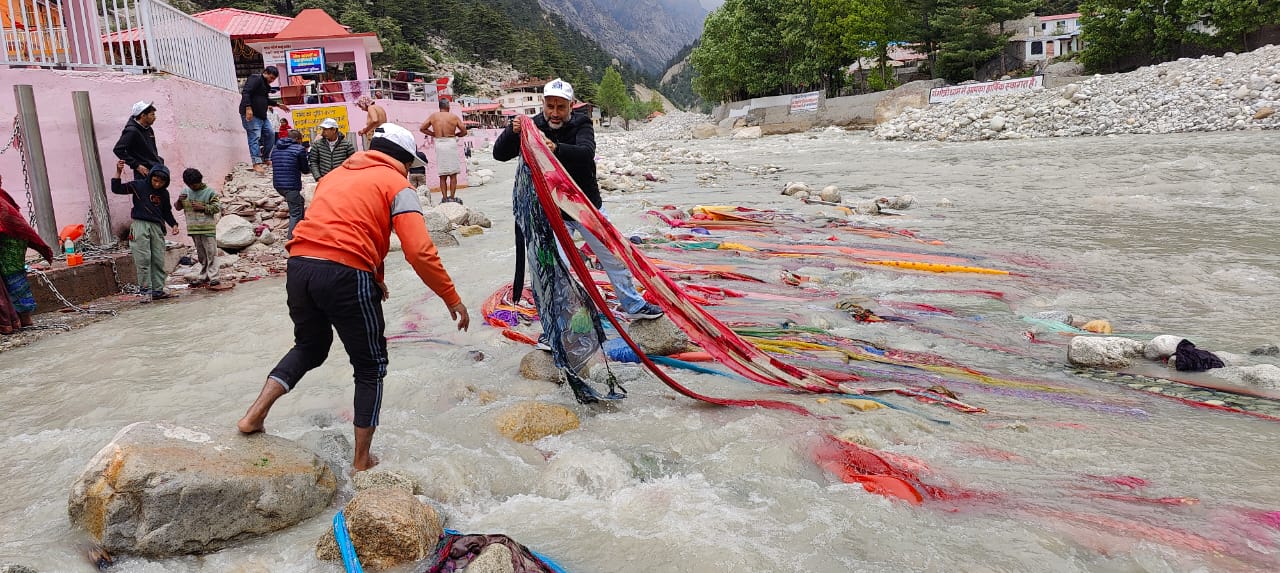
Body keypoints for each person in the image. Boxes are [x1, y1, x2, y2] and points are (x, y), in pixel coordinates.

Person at [237, 123, 470, 472]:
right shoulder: (398, 185)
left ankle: (253, 415)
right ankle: (362, 460)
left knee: (309, 347)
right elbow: (419, 251)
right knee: (370, 366)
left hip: (300, 266)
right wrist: (452, 298)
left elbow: (343, 228)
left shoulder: (332, 177)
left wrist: (375, 277)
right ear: (403, 160)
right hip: (346, 274)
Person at [492, 78, 663, 326]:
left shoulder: (582, 123)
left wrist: (556, 148)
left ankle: (634, 305)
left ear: (571, 106)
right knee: (554, 269)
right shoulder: (534, 125)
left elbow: (586, 153)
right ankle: (558, 325)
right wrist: (512, 131)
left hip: (586, 207)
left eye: (561, 107)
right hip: (551, 212)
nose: (555, 113)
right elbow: (500, 154)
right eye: (550, 106)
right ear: (543, 104)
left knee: (614, 257)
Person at [111, 160, 179, 300]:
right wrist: (118, 172)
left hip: (157, 227)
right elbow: (117, 189)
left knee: (158, 259)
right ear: (151, 177)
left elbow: (166, 211)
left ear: (166, 182)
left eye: (161, 182)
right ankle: (145, 291)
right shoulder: (139, 185)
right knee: (143, 259)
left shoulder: (164, 194)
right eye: (155, 180)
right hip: (140, 225)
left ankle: (158, 290)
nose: (157, 184)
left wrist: (174, 224)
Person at [0, 175, 53, 334]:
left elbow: (5, 220)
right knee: (14, 278)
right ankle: (19, 320)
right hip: (12, 239)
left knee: (13, 277)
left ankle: (22, 319)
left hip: (11, 241)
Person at [173, 168, 221, 287]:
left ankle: (214, 277)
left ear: (200, 181)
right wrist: (179, 200)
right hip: (194, 228)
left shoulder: (209, 192)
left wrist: (203, 207)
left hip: (207, 228)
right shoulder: (185, 191)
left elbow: (217, 207)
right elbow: (177, 207)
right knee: (201, 254)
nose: (193, 187)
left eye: (196, 184)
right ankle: (204, 276)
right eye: (191, 185)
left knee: (211, 253)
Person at [241, 66, 289, 175]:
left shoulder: (266, 86)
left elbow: (265, 99)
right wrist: (248, 108)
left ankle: (265, 157)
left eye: (273, 79)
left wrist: (278, 104)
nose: (271, 80)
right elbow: (246, 93)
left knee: (271, 134)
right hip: (252, 115)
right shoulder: (255, 79)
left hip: (262, 116)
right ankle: (256, 163)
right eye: (271, 77)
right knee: (254, 137)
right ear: (265, 73)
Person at [420, 99, 468, 204]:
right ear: (448, 106)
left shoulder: (433, 116)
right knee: (453, 173)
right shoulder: (453, 117)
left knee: (442, 173)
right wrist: (457, 135)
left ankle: (445, 197)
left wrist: (433, 134)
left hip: (439, 143)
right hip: (450, 142)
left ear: (439, 107)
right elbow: (464, 131)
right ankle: (452, 196)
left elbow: (422, 128)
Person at [270, 129, 310, 240]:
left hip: (278, 185)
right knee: (295, 212)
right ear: (298, 139)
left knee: (300, 201)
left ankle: (301, 230)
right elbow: (305, 169)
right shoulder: (299, 149)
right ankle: (292, 238)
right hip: (291, 186)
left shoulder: (275, 148)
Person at [113, 101, 163, 182]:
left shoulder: (148, 129)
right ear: (143, 116)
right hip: (143, 174)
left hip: (155, 170)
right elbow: (118, 150)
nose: (155, 117)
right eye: (152, 114)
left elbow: (152, 150)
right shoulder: (132, 131)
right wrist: (137, 165)